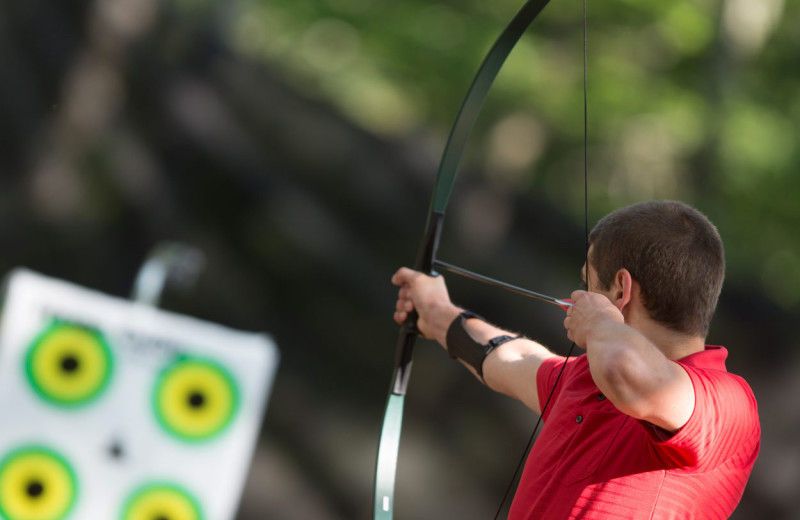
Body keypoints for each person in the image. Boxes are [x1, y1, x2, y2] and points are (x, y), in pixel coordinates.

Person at [391, 200, 760, 519]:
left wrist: (599, 320)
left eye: (588, 283)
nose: (577, 296)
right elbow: (513, 356)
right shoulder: (587, 377)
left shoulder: (728, 406)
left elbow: (627, 372)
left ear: (620, 289)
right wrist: (435, 310)